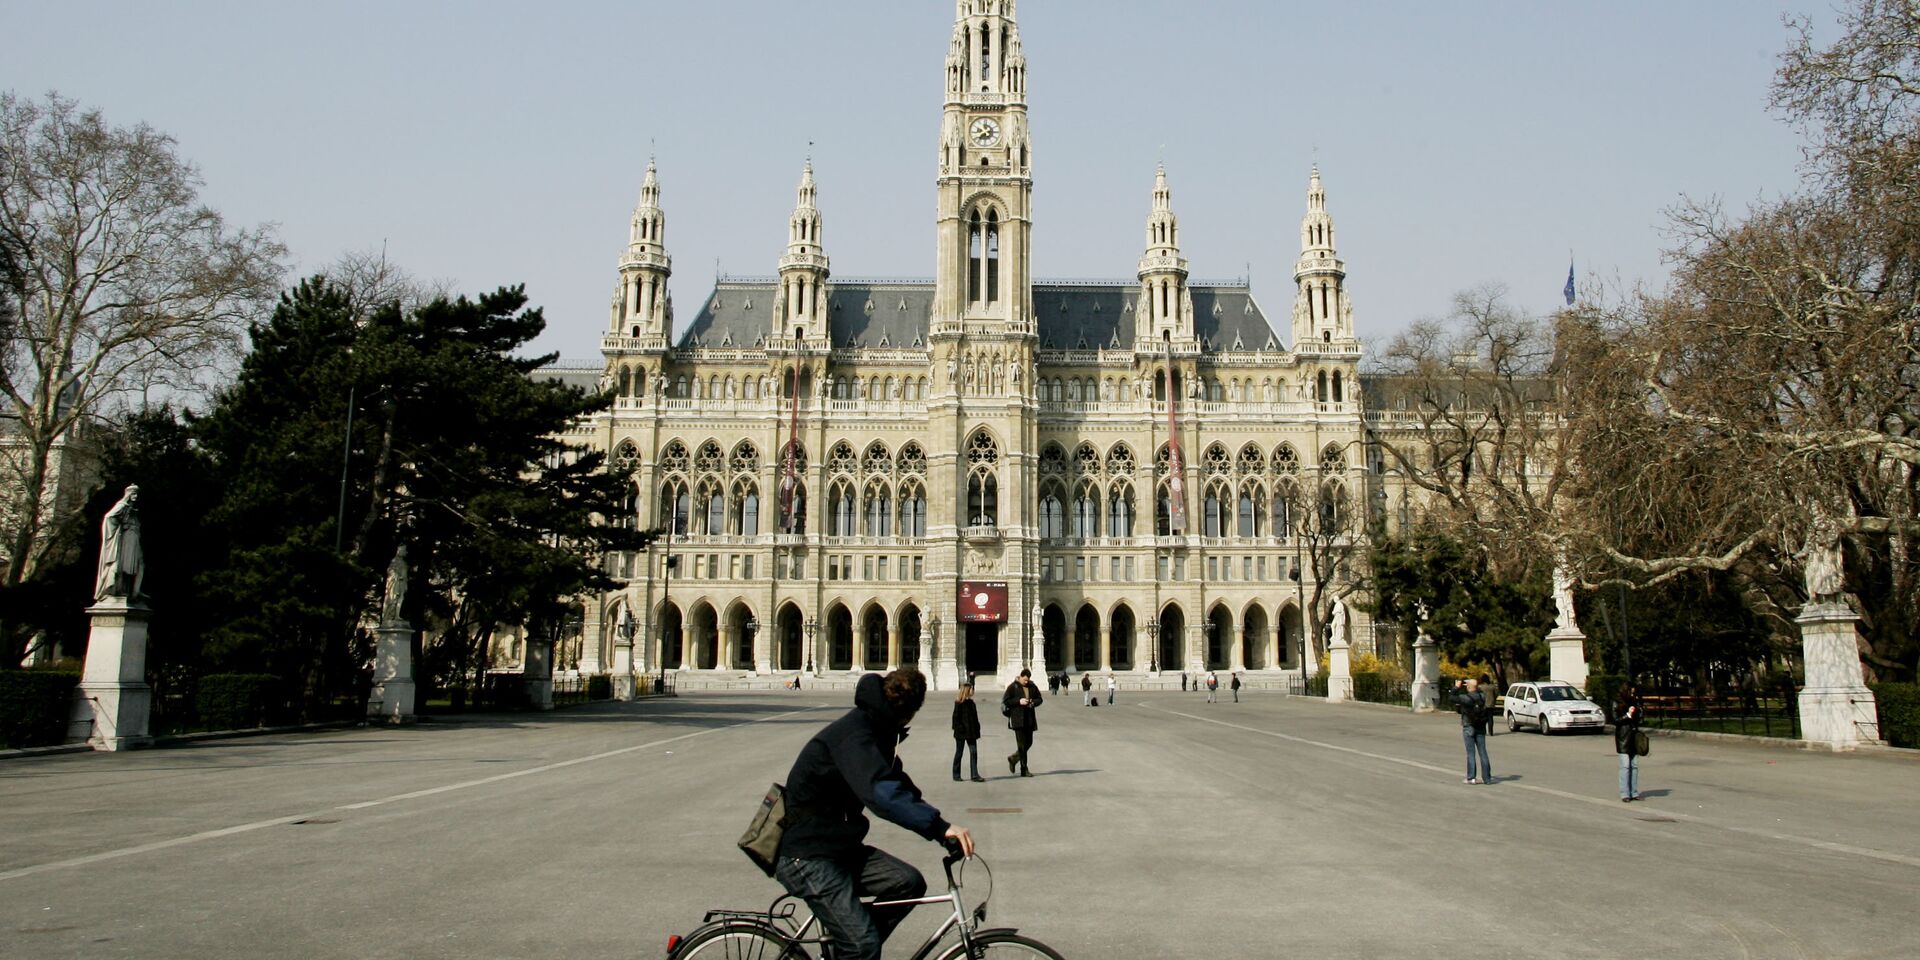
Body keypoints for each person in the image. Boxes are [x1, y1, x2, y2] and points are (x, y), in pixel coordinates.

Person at [775, 669, 974, 960]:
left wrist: (941, 828)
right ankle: (855, 944)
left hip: (835, 846)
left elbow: (897, 783)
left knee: (908, 882)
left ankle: (849, 941)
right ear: (907, 712)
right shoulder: (857, 735)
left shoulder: (875, 729)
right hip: (807, 855)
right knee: (863, 944)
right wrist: (938, 827)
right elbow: (881, 792)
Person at [1450, 678, 1493, 784]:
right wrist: (1472, 684)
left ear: (1468, 687)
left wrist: (1457, 687)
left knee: (1471, 753)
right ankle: (1487, 778)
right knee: (1483, 752)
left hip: (1468, 726)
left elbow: (1452, 697)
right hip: (1480, 726)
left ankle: (1471, 777)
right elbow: (1477, 689)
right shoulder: (1482, 696)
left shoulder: (1466, 698)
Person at [1002, 668, 1043, 777]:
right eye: (1024, 680)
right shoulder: (1013, 687)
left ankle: (1013, 759)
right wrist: (1018, 701)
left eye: (1027, 680)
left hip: (1029, 719)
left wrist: (1032, 702)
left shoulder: (1032, 686)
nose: (1026, 682)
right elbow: (1006, 701)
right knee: (1021, 745)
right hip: (1018, 719)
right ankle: (1024, 769)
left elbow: (1039, 699)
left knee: (1029, 742)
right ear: (1020, 677)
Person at [1615, 682, 1644, 802]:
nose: (1633, 694)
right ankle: (1625, 793)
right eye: (1631, 691)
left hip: (1634, 736)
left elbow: (1641, 719)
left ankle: (1634, 792)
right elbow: (1615, 719)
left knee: (1634, 765)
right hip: (1623, 737)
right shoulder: (1617, 703)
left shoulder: (1635, 702)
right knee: (1625, 766)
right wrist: (1627, 715)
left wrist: (1639, 711)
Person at [951, 683, 984, 782]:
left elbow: (975, 717)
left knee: (973, 752)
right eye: (971, 689)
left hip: (971, 731)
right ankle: (956, 774)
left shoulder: (971, 703)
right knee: (959, 753)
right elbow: (955, 718)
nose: (972, 691)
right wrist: (960, 728)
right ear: (967, 691)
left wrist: (977, 727)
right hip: (961, 732)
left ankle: (974, 774)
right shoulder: (959, 703)